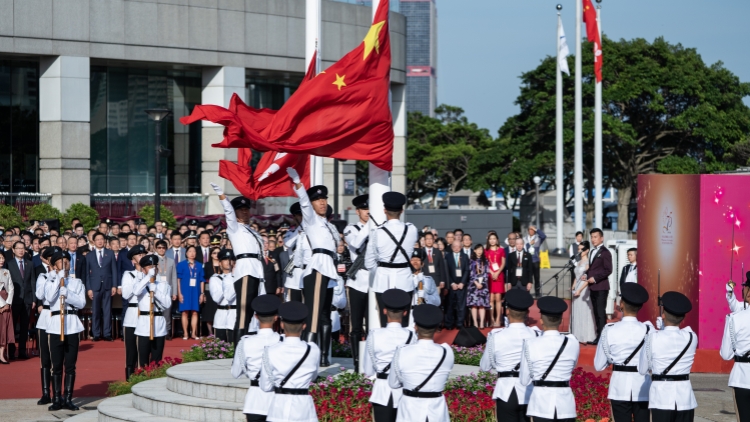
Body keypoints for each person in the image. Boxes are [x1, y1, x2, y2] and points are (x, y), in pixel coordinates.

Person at [286, 168, 339, 361]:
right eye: (318, 200)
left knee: (324, 315)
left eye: (324, 199)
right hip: (316, 268)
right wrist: (298, 183)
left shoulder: (328, 225)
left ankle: (323, 356)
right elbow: (304, 205)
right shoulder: (311, 221)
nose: (322, 202)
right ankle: (308, 358)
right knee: (314, 317)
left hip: (329, 270)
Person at [210, 183, 265, 346]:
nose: (245, 212)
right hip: (245, 270)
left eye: (247, 209)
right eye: (241, 210)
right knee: (244, 312)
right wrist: (222, 196)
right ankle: (238, 350)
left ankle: (254, 346)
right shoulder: (234, 228)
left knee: (258, 311)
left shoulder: (254, 231)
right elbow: (228, 212)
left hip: (257, 271)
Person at [594, 283, 653, 422]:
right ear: (640, 307)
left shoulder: (610, 329)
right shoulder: (649, 330)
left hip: (619, 385)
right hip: (642, 386)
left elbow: (598, 365)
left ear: (621, 304)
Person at [480, 289, 541, 422]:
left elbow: (485, 366)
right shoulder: (535, 334)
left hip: (506, 390)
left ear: (507, 311)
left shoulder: (496, 336)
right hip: (529, 389)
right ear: (527, 313)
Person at [388, 304, 454, 422]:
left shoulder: (402, 351)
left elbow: (393, 383)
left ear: (416, 327)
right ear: (436, 328)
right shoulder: (447, 351)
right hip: (437, 411)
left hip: (410, 410)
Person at [638, 291, 697, 422]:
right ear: (683, 317)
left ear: (663, 315)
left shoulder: (652, 337)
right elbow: (678, 334)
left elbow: (642, 370)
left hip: (661, 397)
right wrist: (664, 327)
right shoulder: (692, 337)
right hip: (685, 397)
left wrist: (661, 329)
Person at [519, 296, 580, 422]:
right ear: (561, 320)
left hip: (541, 404)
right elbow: (572, 367)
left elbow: (524, 380)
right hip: (565, 405)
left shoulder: (531, 343)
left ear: (541, 320)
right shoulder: (573, 342)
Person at [365, 191, 419, 329]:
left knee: (385, 322)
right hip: (404, 278)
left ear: (385, 210)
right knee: (404, 321)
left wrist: (382, 269)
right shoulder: (411, 229)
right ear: (401, 210)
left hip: (383, 280)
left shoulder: (378, 232)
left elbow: (368, 263)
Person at [260, 301, 320, 422]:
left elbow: (265, 386)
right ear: (304, 326)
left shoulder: (271, 351)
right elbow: (313, 377)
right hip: (304, 410)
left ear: (282, 325)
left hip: (278, 409)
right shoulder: (313, 349)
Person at [364, 289, 417, 422]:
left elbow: (368, 370)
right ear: (405, 313)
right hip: (404, 390)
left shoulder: (374, 335)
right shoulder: (411, 335)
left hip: (381, 391)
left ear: (385, 311)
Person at [45, 251, 86, 411]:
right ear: (54, 266)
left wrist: (67, 293)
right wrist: (58, 281)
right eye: (61, 262)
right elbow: (49, 298)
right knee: (56, 365)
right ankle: (56, 398)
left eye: (67, 261)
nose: (65, 264)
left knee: (70, 365)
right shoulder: (49, 280)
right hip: (56, 324)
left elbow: (82, 303)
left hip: (72, 324)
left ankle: (68, 398)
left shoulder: (77, 282)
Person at [232, 294, 283, 422]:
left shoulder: (246, 342)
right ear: (276, 318)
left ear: (256, 317)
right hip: (278, 400)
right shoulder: (282, 341)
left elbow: (235, 372)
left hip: (254, 401)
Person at [344, 194, 371, 372]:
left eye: (370, 208)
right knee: (356, 325)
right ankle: (356, 361)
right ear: (358, 211)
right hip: (357, 281)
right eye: (364, 209)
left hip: (374, 281)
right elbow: (356, 243)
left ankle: (370, 360)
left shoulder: (377, 228)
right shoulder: (351, 229)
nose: (368, 212)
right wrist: (371, 225)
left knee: (372, 325)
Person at [720, 272, 750, 421]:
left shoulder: (735, 319)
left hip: (742, 377)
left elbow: (726, 355)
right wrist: (730, 293)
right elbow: (737, 305)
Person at [34, 246, 62, 403]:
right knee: (45, 358)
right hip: (46, 317)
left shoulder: (66, 276)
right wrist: (52, 272)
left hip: (60, 319)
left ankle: (59, 393)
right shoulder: (43, 277)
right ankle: (46, 392)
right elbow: (40, 295)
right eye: (53, 259)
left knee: (58, 358)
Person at [134, 254, 172, 366]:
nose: (152, 269)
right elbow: (136, 292)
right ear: (144, 269)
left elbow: (167, 304)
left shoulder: (163, 285)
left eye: (154, 266)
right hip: (144, 325)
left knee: (157, 360)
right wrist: (147, 279)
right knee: (143, 360)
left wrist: (156, 291)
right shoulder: (140, 283)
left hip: (158, 324)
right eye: (149, 267)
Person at [84, 232, 118, 342]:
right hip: (95, 286)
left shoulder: (110, 253)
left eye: (101, 239)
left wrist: (114, 285)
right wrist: (89, 288)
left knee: (108, 311)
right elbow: (87, 274)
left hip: (108, 285)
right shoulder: (89, 255)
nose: (99, 241)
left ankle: (107, 333)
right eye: (97, 239)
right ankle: (96, 333)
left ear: (105, 241)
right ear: (93, 241)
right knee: (96, 311)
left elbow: (114, 270)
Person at [121, 245, 147, 378]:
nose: (142, 256)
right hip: (132, 314)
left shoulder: (152, 275)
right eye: (139, 255)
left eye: (144, 254)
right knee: (131, 352)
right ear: (133, 260)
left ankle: (144, 378)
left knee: (144, 352)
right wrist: (139, 282)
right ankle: (129, 380)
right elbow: (125, 294)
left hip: (146, 316)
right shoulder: (128, 274)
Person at [584, 228, 613, 344]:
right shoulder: (591, 251)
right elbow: (592, 269)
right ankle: (598, 336)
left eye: (595, 237)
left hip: (601, 287)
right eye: (591, 237)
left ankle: (602, 338)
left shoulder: (605, 252)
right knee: (595, 312)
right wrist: (586, 275)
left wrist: (595, 278)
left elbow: (608, 270)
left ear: (602, 238)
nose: (593, 239)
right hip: (592, 287)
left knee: (601, 313)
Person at [7, 240, 34, 359]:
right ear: (13, 250)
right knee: (12, 326)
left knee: (24, 326)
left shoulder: (30, 264)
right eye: (18, 248)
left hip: (27, 299)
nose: (21, 250)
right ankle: (12, 352)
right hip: (14, 299)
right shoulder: (9, 264)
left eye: (22, 248)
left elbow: (32, 282)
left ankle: (22, 351)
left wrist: (33, 299)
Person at [176, 246, 204, 339]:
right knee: (185, 312)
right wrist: (179, 293)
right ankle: (185, 333)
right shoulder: (181, 264)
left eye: (194, 251)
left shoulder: (199, 265)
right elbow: (178, 280)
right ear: (186, 253)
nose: (192, 253)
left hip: (196, 291)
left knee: (195, 312)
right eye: (190, 251)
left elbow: (202, 280)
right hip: (185, 290)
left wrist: (202, 293)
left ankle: (194, 333)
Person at [571, 241, 596, 344]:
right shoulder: (578, 262)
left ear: (587, 250)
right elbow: (576, 276)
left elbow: (587, 279)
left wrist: (580, 290)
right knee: (576, 311)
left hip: (584, 289)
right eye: (578, 249)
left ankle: (586, 335)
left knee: (584, 311)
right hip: (576, 288)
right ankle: (576, 334)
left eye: (581, 249)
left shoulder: (588, 264)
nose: (579, 251)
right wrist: (573, 286)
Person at [210, 249, 237, 343]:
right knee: (220, 348)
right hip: (221, 314)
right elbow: (216, 298)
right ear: (220, 263)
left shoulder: (239, 278)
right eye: (225, 259)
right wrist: (227, 284)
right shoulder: (215, 279)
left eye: (231, 259)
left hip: (235, 314)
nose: (228, 262)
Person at [154, 240, 177, 340]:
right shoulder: (153, 260)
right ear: (156, 249)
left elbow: (174, 278)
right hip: (156, 289)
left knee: (167, 312)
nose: (161, 249)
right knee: (156, 311)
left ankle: (167, 331)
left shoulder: (171, 261)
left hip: (168, 290)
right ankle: (156, 330)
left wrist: (174, 292)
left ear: (166, 249)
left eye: (163, 248)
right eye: (159, 248)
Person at [444, 239, 470, 330]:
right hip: (451, 285)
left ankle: (460, 324)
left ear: (461, 247)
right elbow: (446, 271)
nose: (456, 248)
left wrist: (462, 282)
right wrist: (451, 283)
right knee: (450, 305)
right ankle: (449, 324)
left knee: (461, 306)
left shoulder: (465, 256)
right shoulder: (448, 256)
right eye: (454, 246)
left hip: (461, 285)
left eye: (458, 246)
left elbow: (467, 270)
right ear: (451, 247)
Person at [283, 202, 305, 303]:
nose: (302, 217)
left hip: (307, 272)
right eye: (300, 215)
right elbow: (288, 244)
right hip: (294, 275)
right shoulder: (290, 233)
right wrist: (301, 227)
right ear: (294, 217)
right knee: (294, 309)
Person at [467, 244, 490, 328]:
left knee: (482, 305)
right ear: (475, 250)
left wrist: (482, 282)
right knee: (474, 305)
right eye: (478, 249)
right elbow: (470, 273)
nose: (480, 251)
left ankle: (481, 323)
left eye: (481, 249)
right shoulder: (471, 261)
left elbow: (487, 273)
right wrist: (476, 282)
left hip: (483, 285)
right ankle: (475, 323)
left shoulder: (486, 261)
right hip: (473, 285)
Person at [485, 232, 506, 327]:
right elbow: (485, 264)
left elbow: (503, 263)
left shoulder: (501, 250)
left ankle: (498, 318)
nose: (492, 240)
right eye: (490, 239)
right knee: (490, 299)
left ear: (497, 239)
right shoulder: (486, 251)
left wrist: (497, 273)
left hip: (499, 275)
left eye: (494, 238)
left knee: (498, 298)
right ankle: (491, 319)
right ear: (488, 240)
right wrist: (491, 272)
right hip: (489, 275)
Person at [202, 246, 222, 337]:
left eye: (218, 253)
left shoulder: (223, 263)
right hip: (209, 290)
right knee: (209, 312)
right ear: (211, 254)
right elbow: (203, 279)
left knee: (219, 311)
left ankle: (218, 332)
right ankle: (210, 333)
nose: (216, 255)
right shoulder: (207, 264)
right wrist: (203, 293)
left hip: (222, 290)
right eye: (214, 253)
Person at [523, 226, 546, 298]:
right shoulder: (524, 239)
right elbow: (524, 248)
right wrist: (530, 243)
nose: (531, 231)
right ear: (528, 231)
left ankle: (537, 293)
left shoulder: (538, 238)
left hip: (535, 260)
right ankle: (527, 292)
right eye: (530, 229)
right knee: (527, 277)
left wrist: (536, 229)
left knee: (537, 278)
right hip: (527, 260)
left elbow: (544, 236)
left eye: (533, 230)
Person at [0, 253, 13, 364]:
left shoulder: (6, 271)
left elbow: (11, 288)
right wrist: (2, 304)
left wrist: (8, 303)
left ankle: (1, 354)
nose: (2, 260)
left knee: (4, 328)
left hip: (6, 303)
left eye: (3, 258)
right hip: (1, 303)